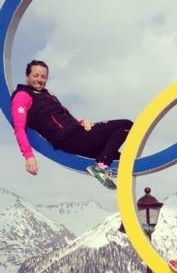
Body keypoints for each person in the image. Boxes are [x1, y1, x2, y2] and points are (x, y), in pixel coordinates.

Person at [10, 60, 133, 189]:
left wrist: (81, 122)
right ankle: (100, 166)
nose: (40, 80)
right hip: (69, 139)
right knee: (126, 124)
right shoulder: (22, 96)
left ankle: (103, 167)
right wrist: (28, 156)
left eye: (44, 76)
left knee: (123, 152)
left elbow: (62, 118)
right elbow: (19, 127)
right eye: (36, 76)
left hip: (78, 133)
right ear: (27, 75)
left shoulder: (48, 95)